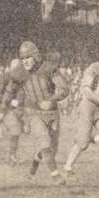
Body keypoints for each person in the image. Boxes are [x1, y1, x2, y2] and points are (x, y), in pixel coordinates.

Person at [17, 41, 70, 184]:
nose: (25, 61)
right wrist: (21, 116)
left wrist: (51, 100)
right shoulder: (20, 72)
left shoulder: (49, 68)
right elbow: (15, 94)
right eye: (22, 58)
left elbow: (64, 89)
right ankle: (56, 176)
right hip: (33, 113)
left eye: (28, 57)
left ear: (36, 56)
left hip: (51, 113)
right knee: (44, 140)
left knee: (51, 149)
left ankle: (36, 158)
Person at [63, 43, 99, 175]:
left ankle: (87, 137)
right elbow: (85, 90)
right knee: (82, 144)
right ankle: (68, 165)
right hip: (87, 107)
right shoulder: (94, 68)